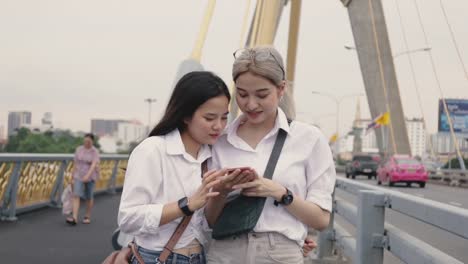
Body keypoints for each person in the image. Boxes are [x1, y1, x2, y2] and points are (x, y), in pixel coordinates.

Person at [204, 46, 336, 264]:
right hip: (224, 253)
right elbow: (208, 220)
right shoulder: (219, 141)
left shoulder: (309, 139)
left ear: (281, 89)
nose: (251, 104)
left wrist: (279, 192)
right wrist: (222, 189)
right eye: (242, 94)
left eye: (262, 95)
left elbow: (321, 219)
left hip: (280, 253)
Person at [118, 71, 251, 264]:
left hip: (199, 257)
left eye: (224, 118)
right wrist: (186, 205)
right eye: (209, 118)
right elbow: (128, 219)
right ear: (186, 116)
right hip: (158, 258)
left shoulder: (210, 156)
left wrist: (221, 192)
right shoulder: (153, 150)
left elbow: (205, 224)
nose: (219, 126)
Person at [66, 133, 100, 225]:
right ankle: (74, 217)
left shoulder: (94, 152)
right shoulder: (79, 149)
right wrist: (72, 176)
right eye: (85, 141)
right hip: (79, 175)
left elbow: (93, 164)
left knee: (89, 196)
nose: (86, 143)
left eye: (88, 141)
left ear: (92, 141)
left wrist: (87, 176)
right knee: (76, 195)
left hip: (91, 175)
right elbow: (75, 163)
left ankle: (87, 215)